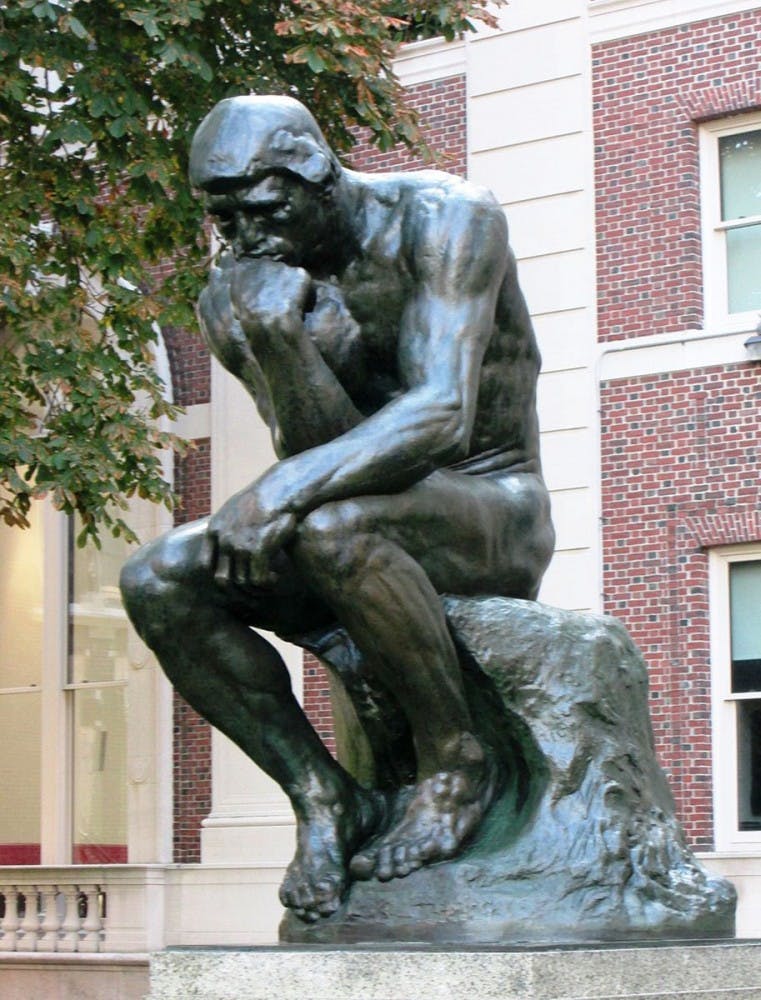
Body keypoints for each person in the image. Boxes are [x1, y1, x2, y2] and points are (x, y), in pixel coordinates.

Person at [120, 95, 555, 924]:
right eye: (224, 218)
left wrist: (277, 491)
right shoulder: (243, 287)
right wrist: (276, 340)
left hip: (493, 506)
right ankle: (324, 797)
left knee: (329, 524)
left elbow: (440, 414)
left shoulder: (445, 218)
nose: (245, 235)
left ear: (317, 172)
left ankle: (456, 762)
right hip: (363, 518)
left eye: (262, 208)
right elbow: (320, 447)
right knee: (158, 577)